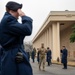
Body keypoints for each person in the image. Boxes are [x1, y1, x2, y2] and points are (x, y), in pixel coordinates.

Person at [0, 1, 33, 75]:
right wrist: (24, 16)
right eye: (18, 11)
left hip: (13, 54)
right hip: (11, 55)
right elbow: (27, 29)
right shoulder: (8, 20)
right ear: (11, 11)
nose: (19, 13)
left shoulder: (9, 20)